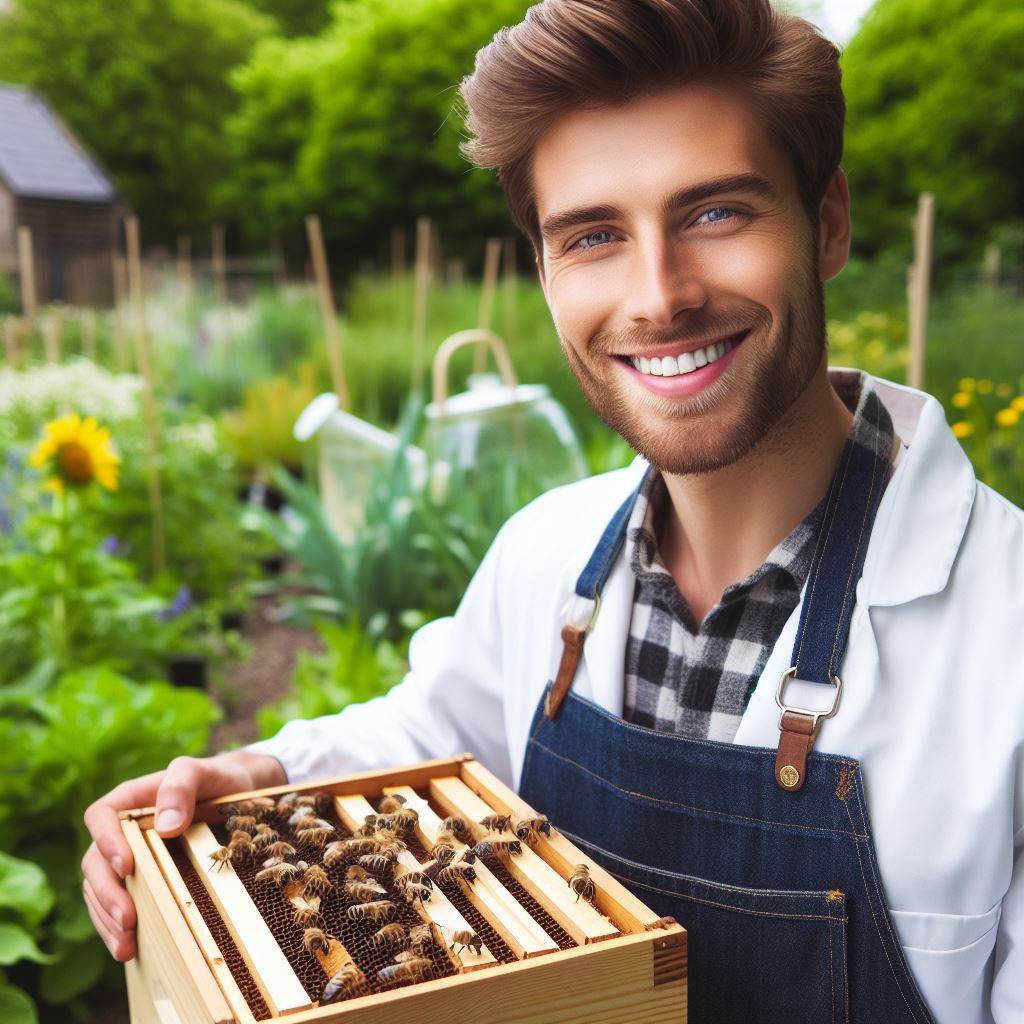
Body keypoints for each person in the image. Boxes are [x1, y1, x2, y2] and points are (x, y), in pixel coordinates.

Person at [82, 2, 1024, 1021]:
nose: (658, 295)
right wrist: (259, 771)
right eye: (594, 236)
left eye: (716, 212)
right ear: (543, 272)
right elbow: (445, 723)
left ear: (827, 221)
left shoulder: (1001, 630)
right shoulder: (545, 550)